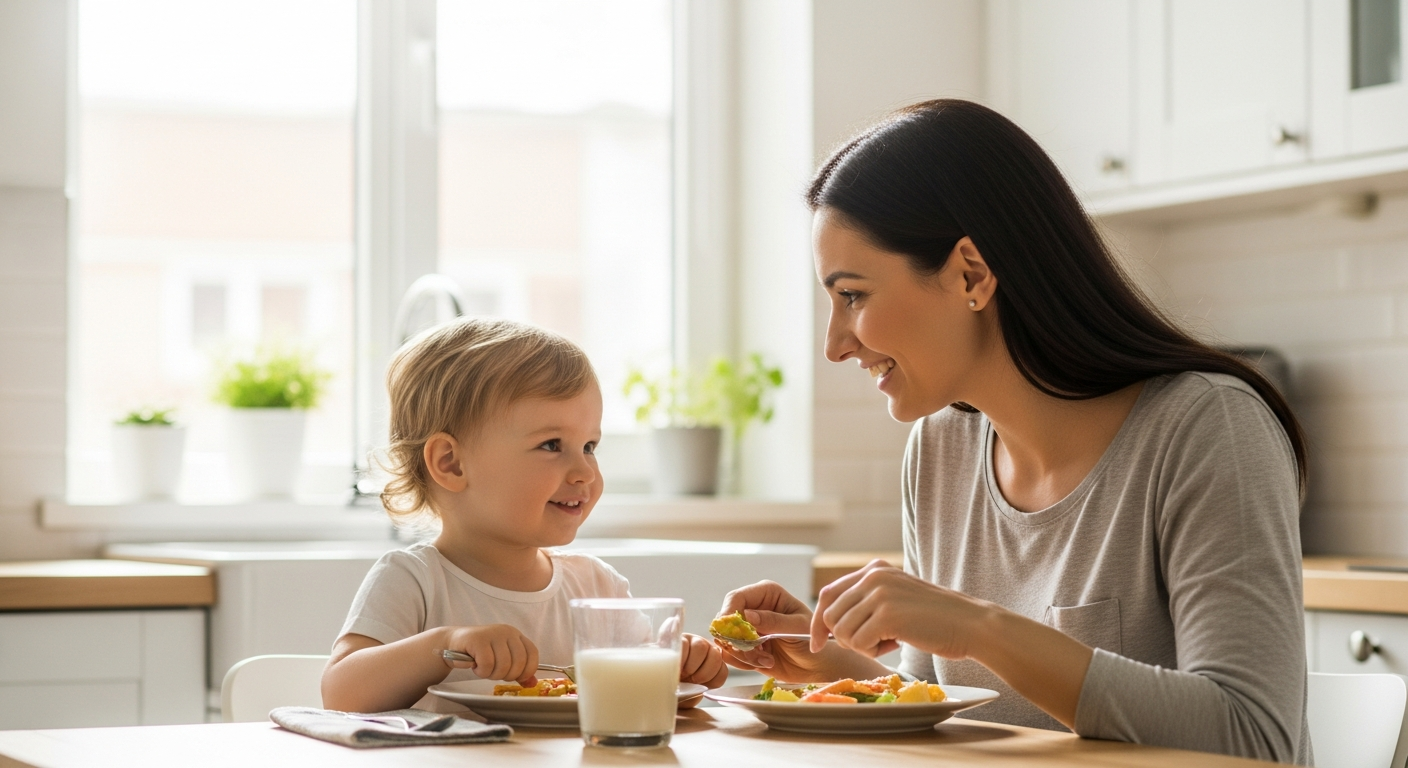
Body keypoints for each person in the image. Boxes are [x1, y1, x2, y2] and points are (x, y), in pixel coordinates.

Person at [716, 100, 1309, 764]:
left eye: (852, 295)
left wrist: (979, 628)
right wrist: (827, 663)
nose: (835, 343)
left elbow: (1255, 739)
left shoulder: (1205, 428)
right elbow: (945, 711)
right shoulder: (940, 449)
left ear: (971, 273)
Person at [323, 318, 728, 713]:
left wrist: (681, 665)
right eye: (552, 445)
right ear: (451, 463)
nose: (585, 471)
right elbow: (342, 694)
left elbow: (645, 692)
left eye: (589, 446)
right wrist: (445, 644)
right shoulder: (415, 579)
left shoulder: (595, 587)